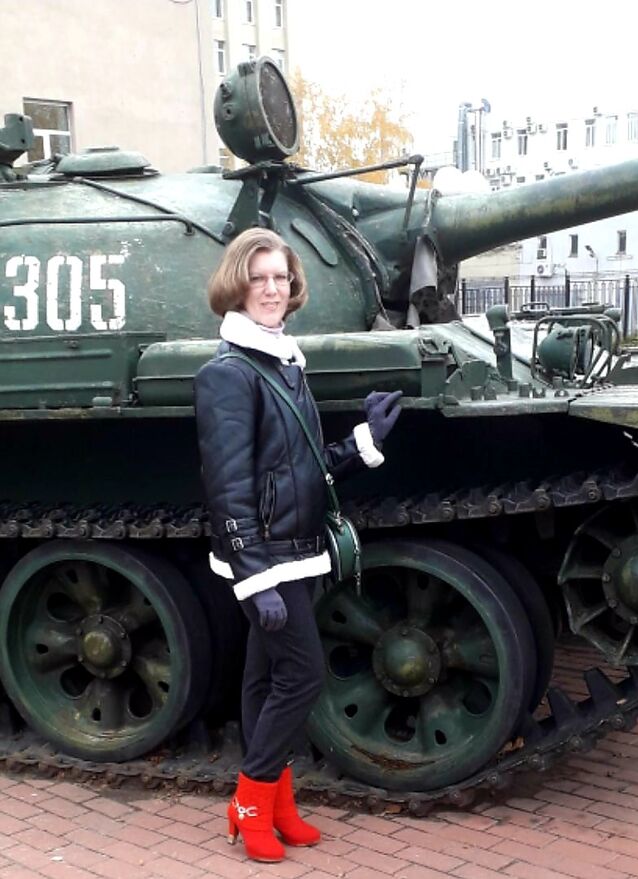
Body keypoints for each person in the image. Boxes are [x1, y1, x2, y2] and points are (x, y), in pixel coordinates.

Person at [193, 227, 402, 863]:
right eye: (258, 277)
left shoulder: (283, 363)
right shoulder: (229, 373)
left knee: (266, 681)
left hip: (296, 547)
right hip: (266, 558)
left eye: (280, 277)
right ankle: (250, 802)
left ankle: (277, 804)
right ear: (237, 285)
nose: (271, 289)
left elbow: (303, 467)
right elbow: (227, 488)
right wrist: (254, 577)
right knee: (304, 677)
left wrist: (364, 441)